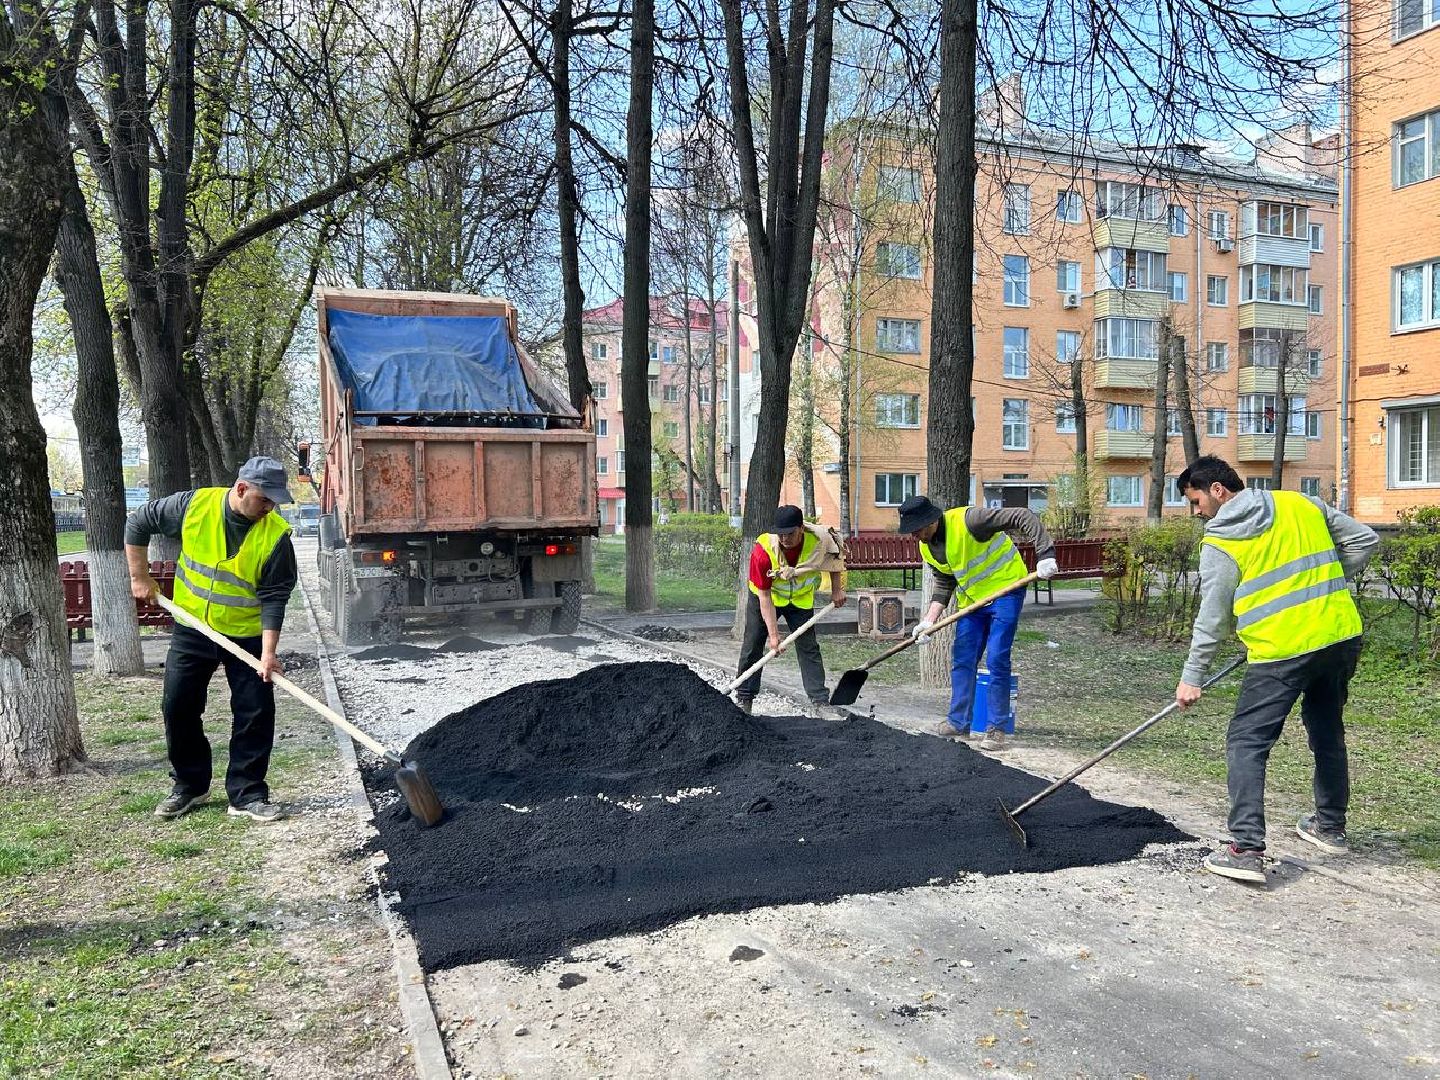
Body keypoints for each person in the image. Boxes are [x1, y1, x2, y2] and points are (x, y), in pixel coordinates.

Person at [1174, 456, 1378, 884]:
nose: (1197, 513)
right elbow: (1365, 541)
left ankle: (1246, 850)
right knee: (1327, 730)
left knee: (1247, 741)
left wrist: (1192, 676)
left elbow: (1212, 619)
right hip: (1338, 636)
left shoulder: (1221, 540)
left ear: (1217, 490)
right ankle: (1330, 826)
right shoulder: (1301, 503)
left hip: (1281, 651)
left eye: (1196, 501)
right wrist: (1322, 587)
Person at [126, 457, 299, 823]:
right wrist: (139, 577)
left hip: (247, 633)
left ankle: (247, 793)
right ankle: (189, 785)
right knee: (178, 705)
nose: (269, 508)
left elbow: (274, 598)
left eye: (274, 502)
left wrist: (269, 653)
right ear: (241, 489)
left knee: (255, 710)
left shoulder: (276, 536)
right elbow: (138, 521)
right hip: (193, 628)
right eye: (264, 499)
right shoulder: (194, 506)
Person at [897, 495, 1058, 750]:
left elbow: (1023, 516)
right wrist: (929, 621)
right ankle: (958, 722)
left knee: (997, 658)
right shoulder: (926, 546)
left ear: (931, 520)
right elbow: (945, 581)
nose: (914, 536)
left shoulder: (970, 520)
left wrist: (1045, 553)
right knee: (963, 659)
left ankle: (995, 729)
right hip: (972, 602)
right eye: (911, 532)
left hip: (1006, 592)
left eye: (917, 530)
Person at [733, 505, 846, 718]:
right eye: (780, 534)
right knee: (753, 644)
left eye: (790, 533)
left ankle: (820, 702)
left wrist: (837, 590)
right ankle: (744, 698)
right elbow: (764, 596)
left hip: (800, 601)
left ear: (801, 528)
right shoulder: (763, 551)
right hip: (766, 599)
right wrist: (774, 636)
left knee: (808, 647)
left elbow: (835, 561)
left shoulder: (819, 540)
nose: (784, 539)